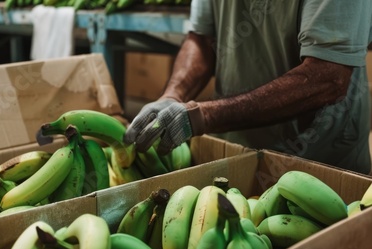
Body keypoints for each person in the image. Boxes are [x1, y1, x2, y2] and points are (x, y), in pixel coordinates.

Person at [123, 0, 372, 175]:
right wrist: (172, 95)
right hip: (236, 145)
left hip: (317, 156)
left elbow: (327, 78)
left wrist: (204, 116)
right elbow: (201, 38)